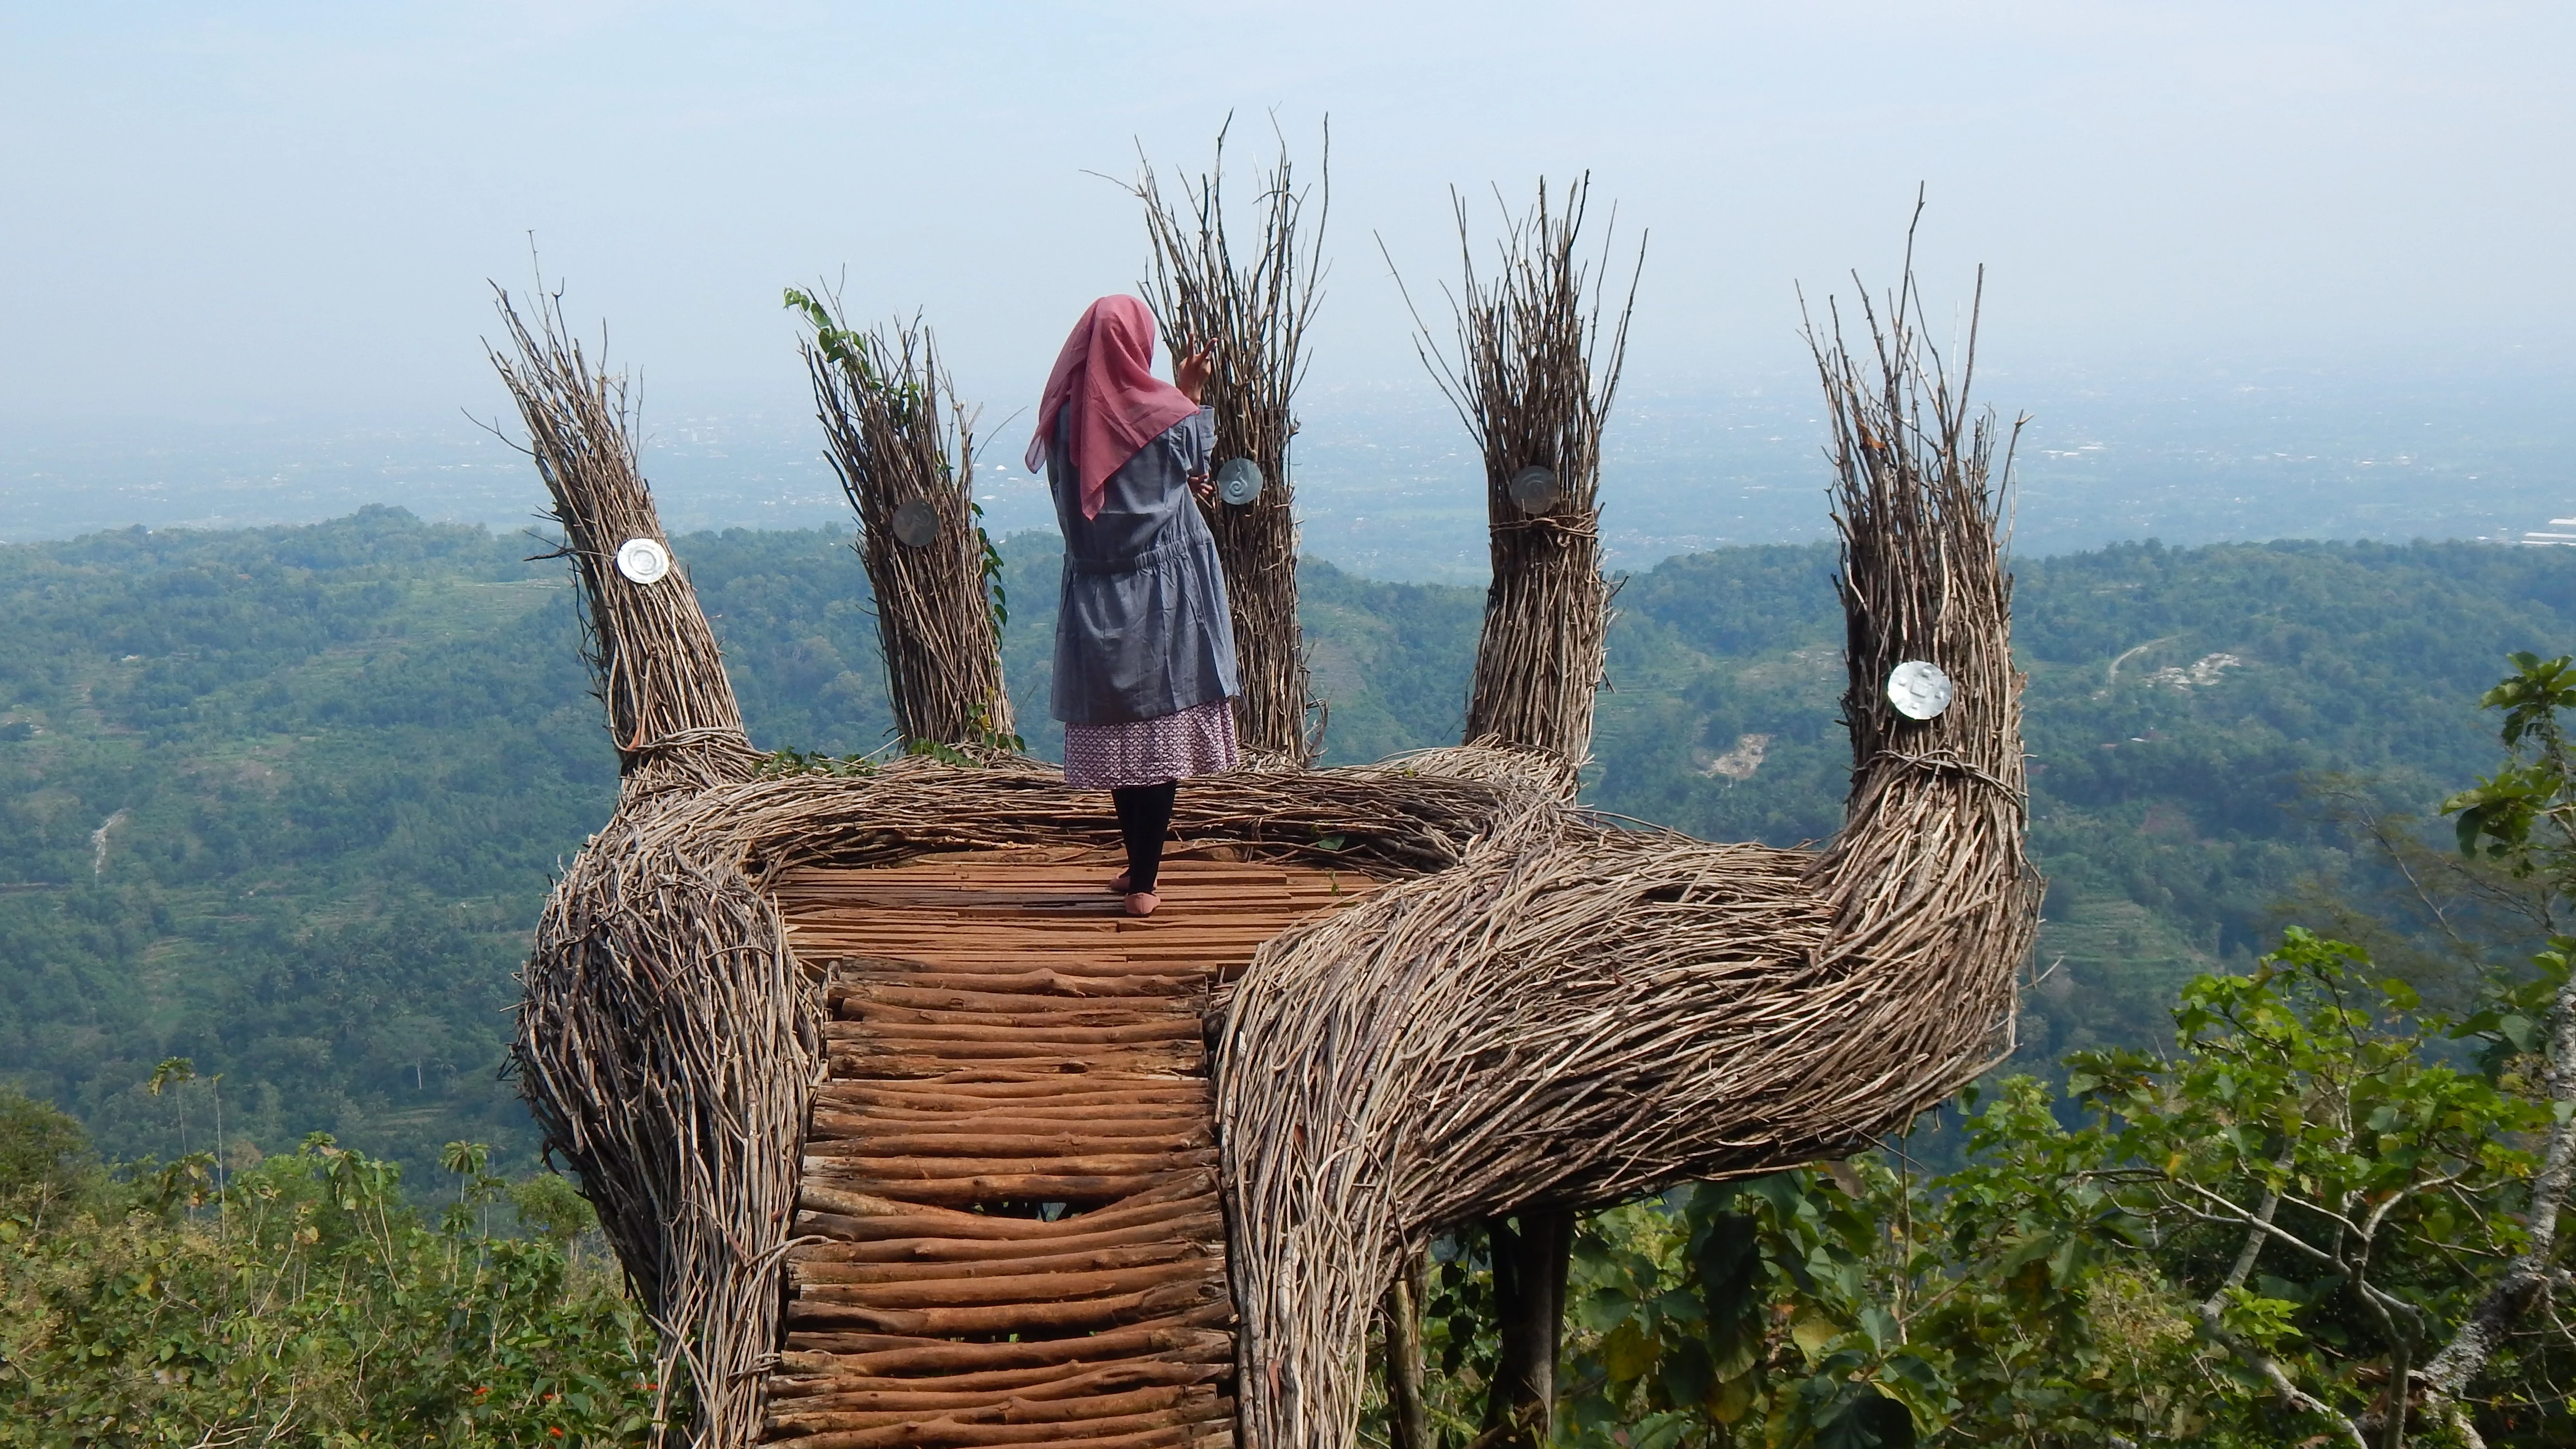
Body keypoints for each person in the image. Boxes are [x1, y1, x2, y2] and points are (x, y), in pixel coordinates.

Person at [1026, 296, 1241, 917]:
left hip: (1098, 589)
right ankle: (1145, 880)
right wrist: (1189, 390)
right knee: (1161, 728)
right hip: (1166, 594)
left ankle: (1134, 863)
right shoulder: (1169, 415)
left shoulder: (1064, 417)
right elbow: (1195, 461)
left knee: (1124, 730)